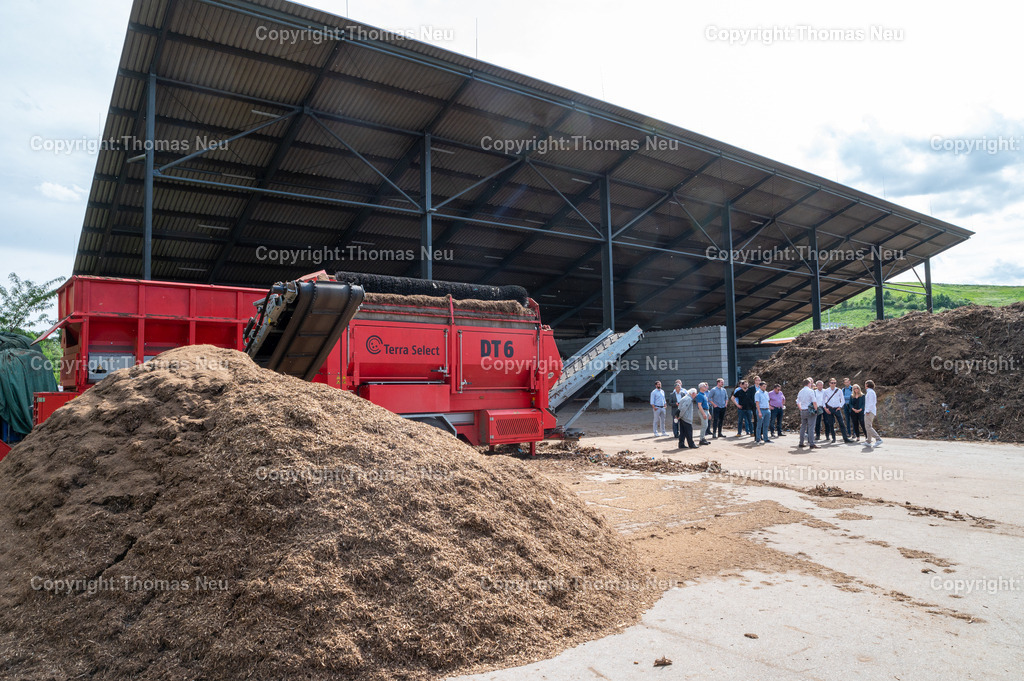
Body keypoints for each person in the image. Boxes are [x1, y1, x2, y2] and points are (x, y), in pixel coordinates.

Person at [822, 378, 852, 444]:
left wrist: (840, 407)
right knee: (831, 424)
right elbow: (823, 400)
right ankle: (833, 438)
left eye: (834, 383)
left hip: (837, 409)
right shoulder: (826, 391)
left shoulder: (839, 390)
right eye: (832, 383)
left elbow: (843, 399)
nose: (833, 384)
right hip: (829, 408)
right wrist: (825, 408)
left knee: (842, 423)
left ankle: (845, 438)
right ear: (829, 383)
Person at [796, 377, 819, 449]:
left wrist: (801, 408)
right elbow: (814, 402)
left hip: (803, 410)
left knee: (803, 427)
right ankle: (811, 443)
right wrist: (816, 410)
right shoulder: (810, 391)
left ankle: (801, 442)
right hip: (810, 410)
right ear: (809, 384)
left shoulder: (800, 391)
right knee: (811, 427)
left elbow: (797, 401)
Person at [864, 380, 882, 446]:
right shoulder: (870, 392)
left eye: (865, 384)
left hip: (870, 411)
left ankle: (878, 439)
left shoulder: (870, 392)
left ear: (867, 385)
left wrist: (868, 411)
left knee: (868, 426)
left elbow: (871, 403)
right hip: (869, 411)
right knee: (868, 426)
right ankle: (868, 441)